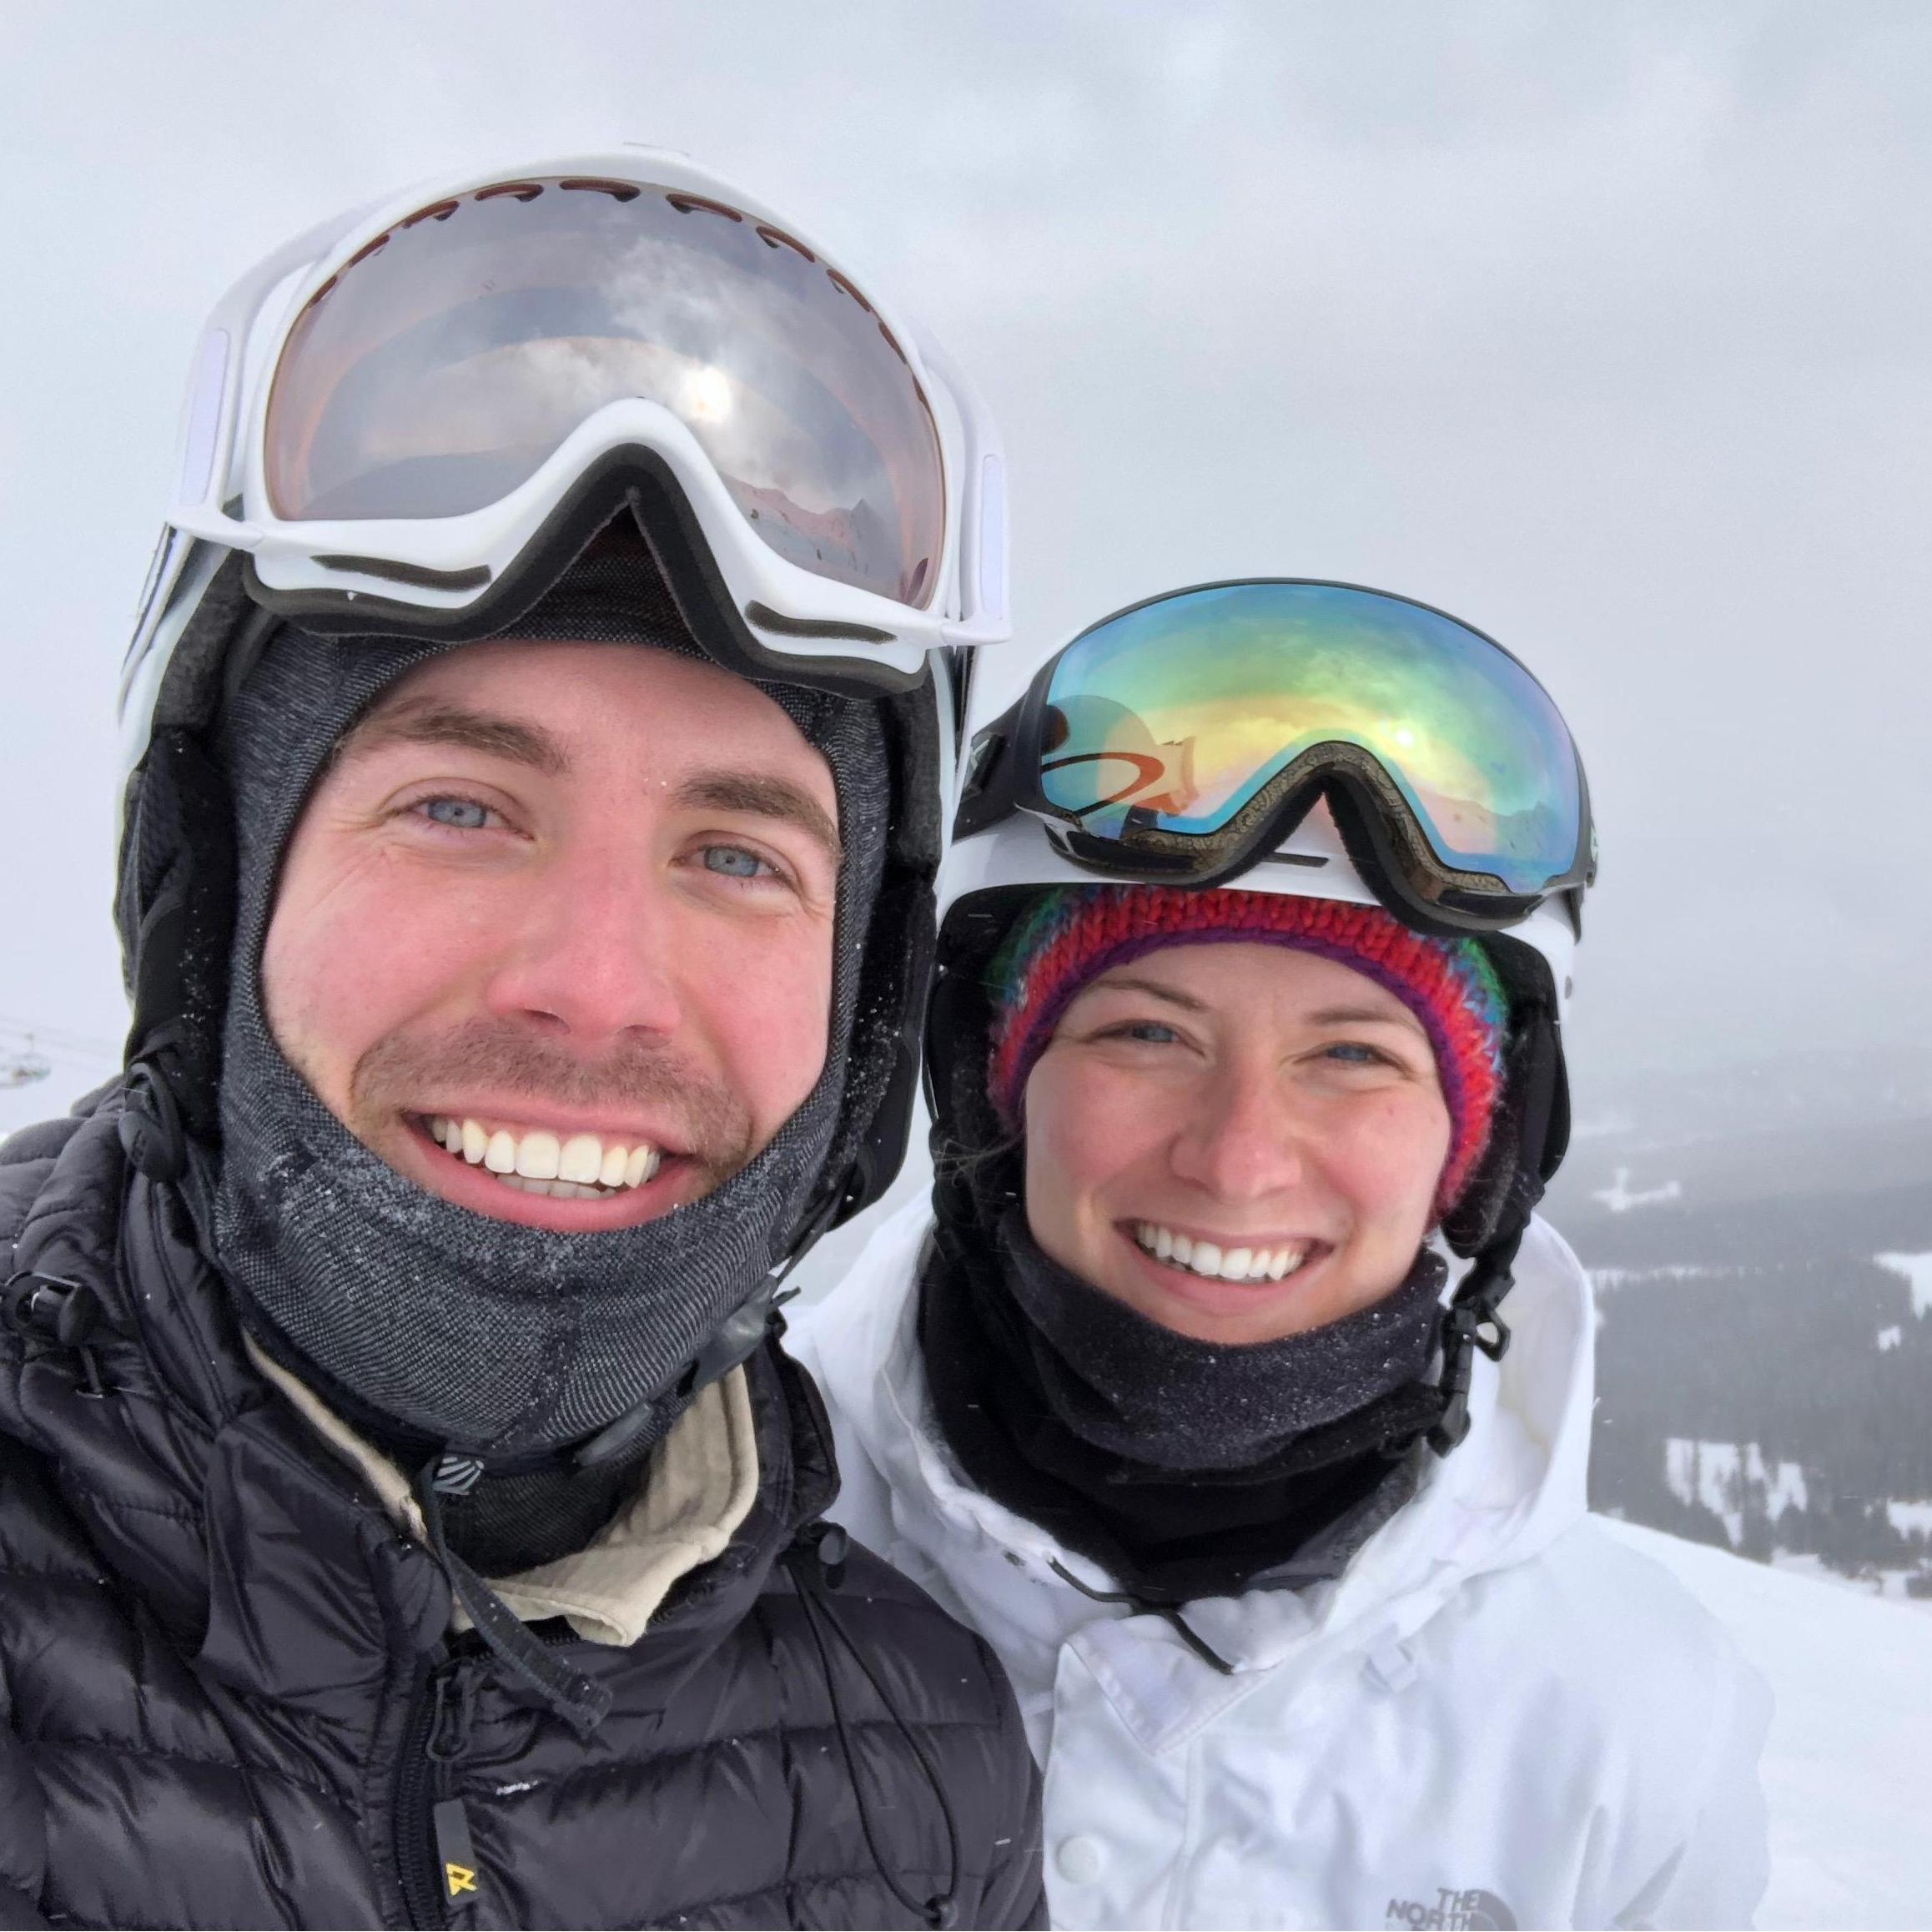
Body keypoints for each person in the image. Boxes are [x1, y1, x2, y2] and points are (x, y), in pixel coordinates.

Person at [0, 153, 1044, 1928]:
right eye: (462, 809)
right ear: (222, 882)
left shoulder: (920, 1761)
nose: (599, 988)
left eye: (735, 855)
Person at [792, 579, 1773, 1929]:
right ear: (992, 1093)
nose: (1240, 1157)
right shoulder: (705, 1560)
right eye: (1148, 1033)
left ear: (1474, 1156)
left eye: (1352, 1056)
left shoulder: (1621, 1721)